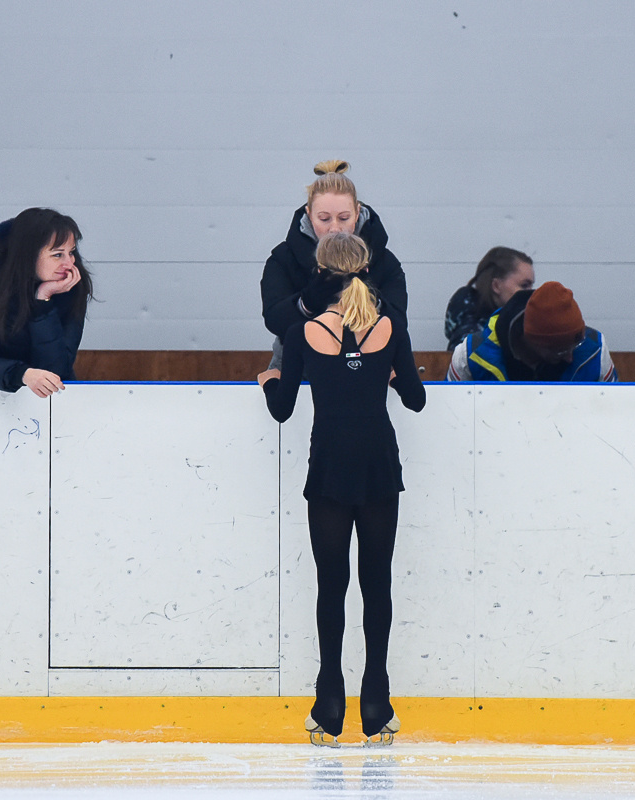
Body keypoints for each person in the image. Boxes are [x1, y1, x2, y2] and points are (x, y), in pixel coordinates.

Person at [258, 232, 426, 746]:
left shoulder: (300, 328)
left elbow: (283, 408)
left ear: (320, 272)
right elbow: (416, 399)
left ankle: (329, 700)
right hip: (378, 464)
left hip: (330, 467)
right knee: (377, 582)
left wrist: (268, 379)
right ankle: (376, 700)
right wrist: (393, 376)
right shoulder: (389, 326)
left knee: (332, 585)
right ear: (365, 269)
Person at [261, 159, 407, 368]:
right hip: (297, 371)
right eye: (324, 219)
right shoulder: (284, 258)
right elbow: (274, 319)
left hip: (368, 370)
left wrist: (371, 299)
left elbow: (399, 323)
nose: (335, 228)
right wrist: (307, 303)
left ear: (357, 213)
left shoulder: (384, 261)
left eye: (344, 217)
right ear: (309, 214)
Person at [0, 208, 93, 397]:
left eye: (72, 252)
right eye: (57, 255)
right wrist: (21, 374)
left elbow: (57, 371)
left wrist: (43, 302)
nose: (69, 264)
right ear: (28, 255)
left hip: (49, 404)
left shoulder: (71, 287)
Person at [447, 280, 617, 382]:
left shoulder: (594, 351)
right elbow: (452, 419)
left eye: (577, 343)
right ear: (531, 341)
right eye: (561, 351)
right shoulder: (471, 355)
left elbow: (613, 417)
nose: (570, 357)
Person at [444, 247, 535, 350]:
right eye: (524, 285)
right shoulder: (471, 326)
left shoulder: (520, 319)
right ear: (496, 286)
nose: (531, 293)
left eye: (531, 286)